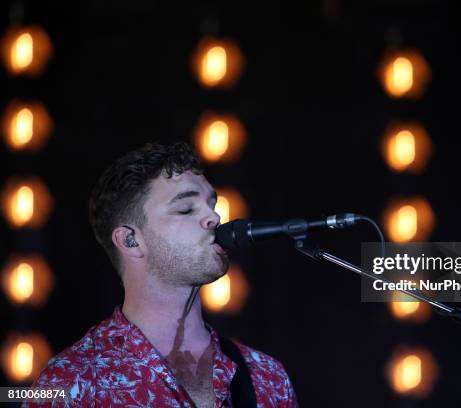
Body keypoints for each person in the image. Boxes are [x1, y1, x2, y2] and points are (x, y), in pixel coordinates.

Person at [26, 142, 298, 407]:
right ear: (131, 240)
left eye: (211, 204)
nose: (214, 218)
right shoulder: (69, 381)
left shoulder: (266, 377)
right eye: (186, 208)